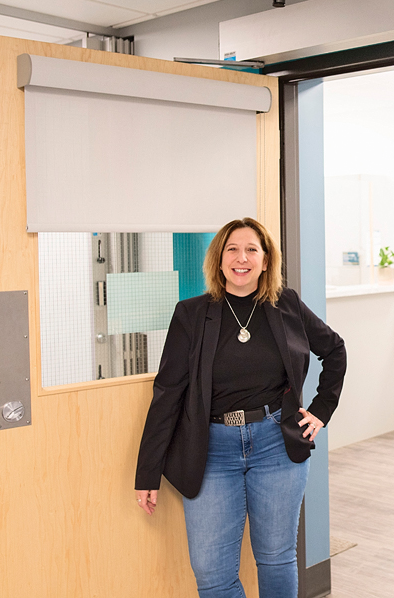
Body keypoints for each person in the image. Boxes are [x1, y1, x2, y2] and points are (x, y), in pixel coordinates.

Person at [135, 218, 346, 598]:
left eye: (251, 249)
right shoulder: (191, 314)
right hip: (211, 451)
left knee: (276, 558)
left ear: (266, 261)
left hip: (275, 445)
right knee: (212, 573)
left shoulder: (287, 305)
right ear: (218, 260)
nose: (241, 258)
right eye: (232, 249)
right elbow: (167, 393)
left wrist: (321, 409)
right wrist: (147, 472)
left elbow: (335, 350)